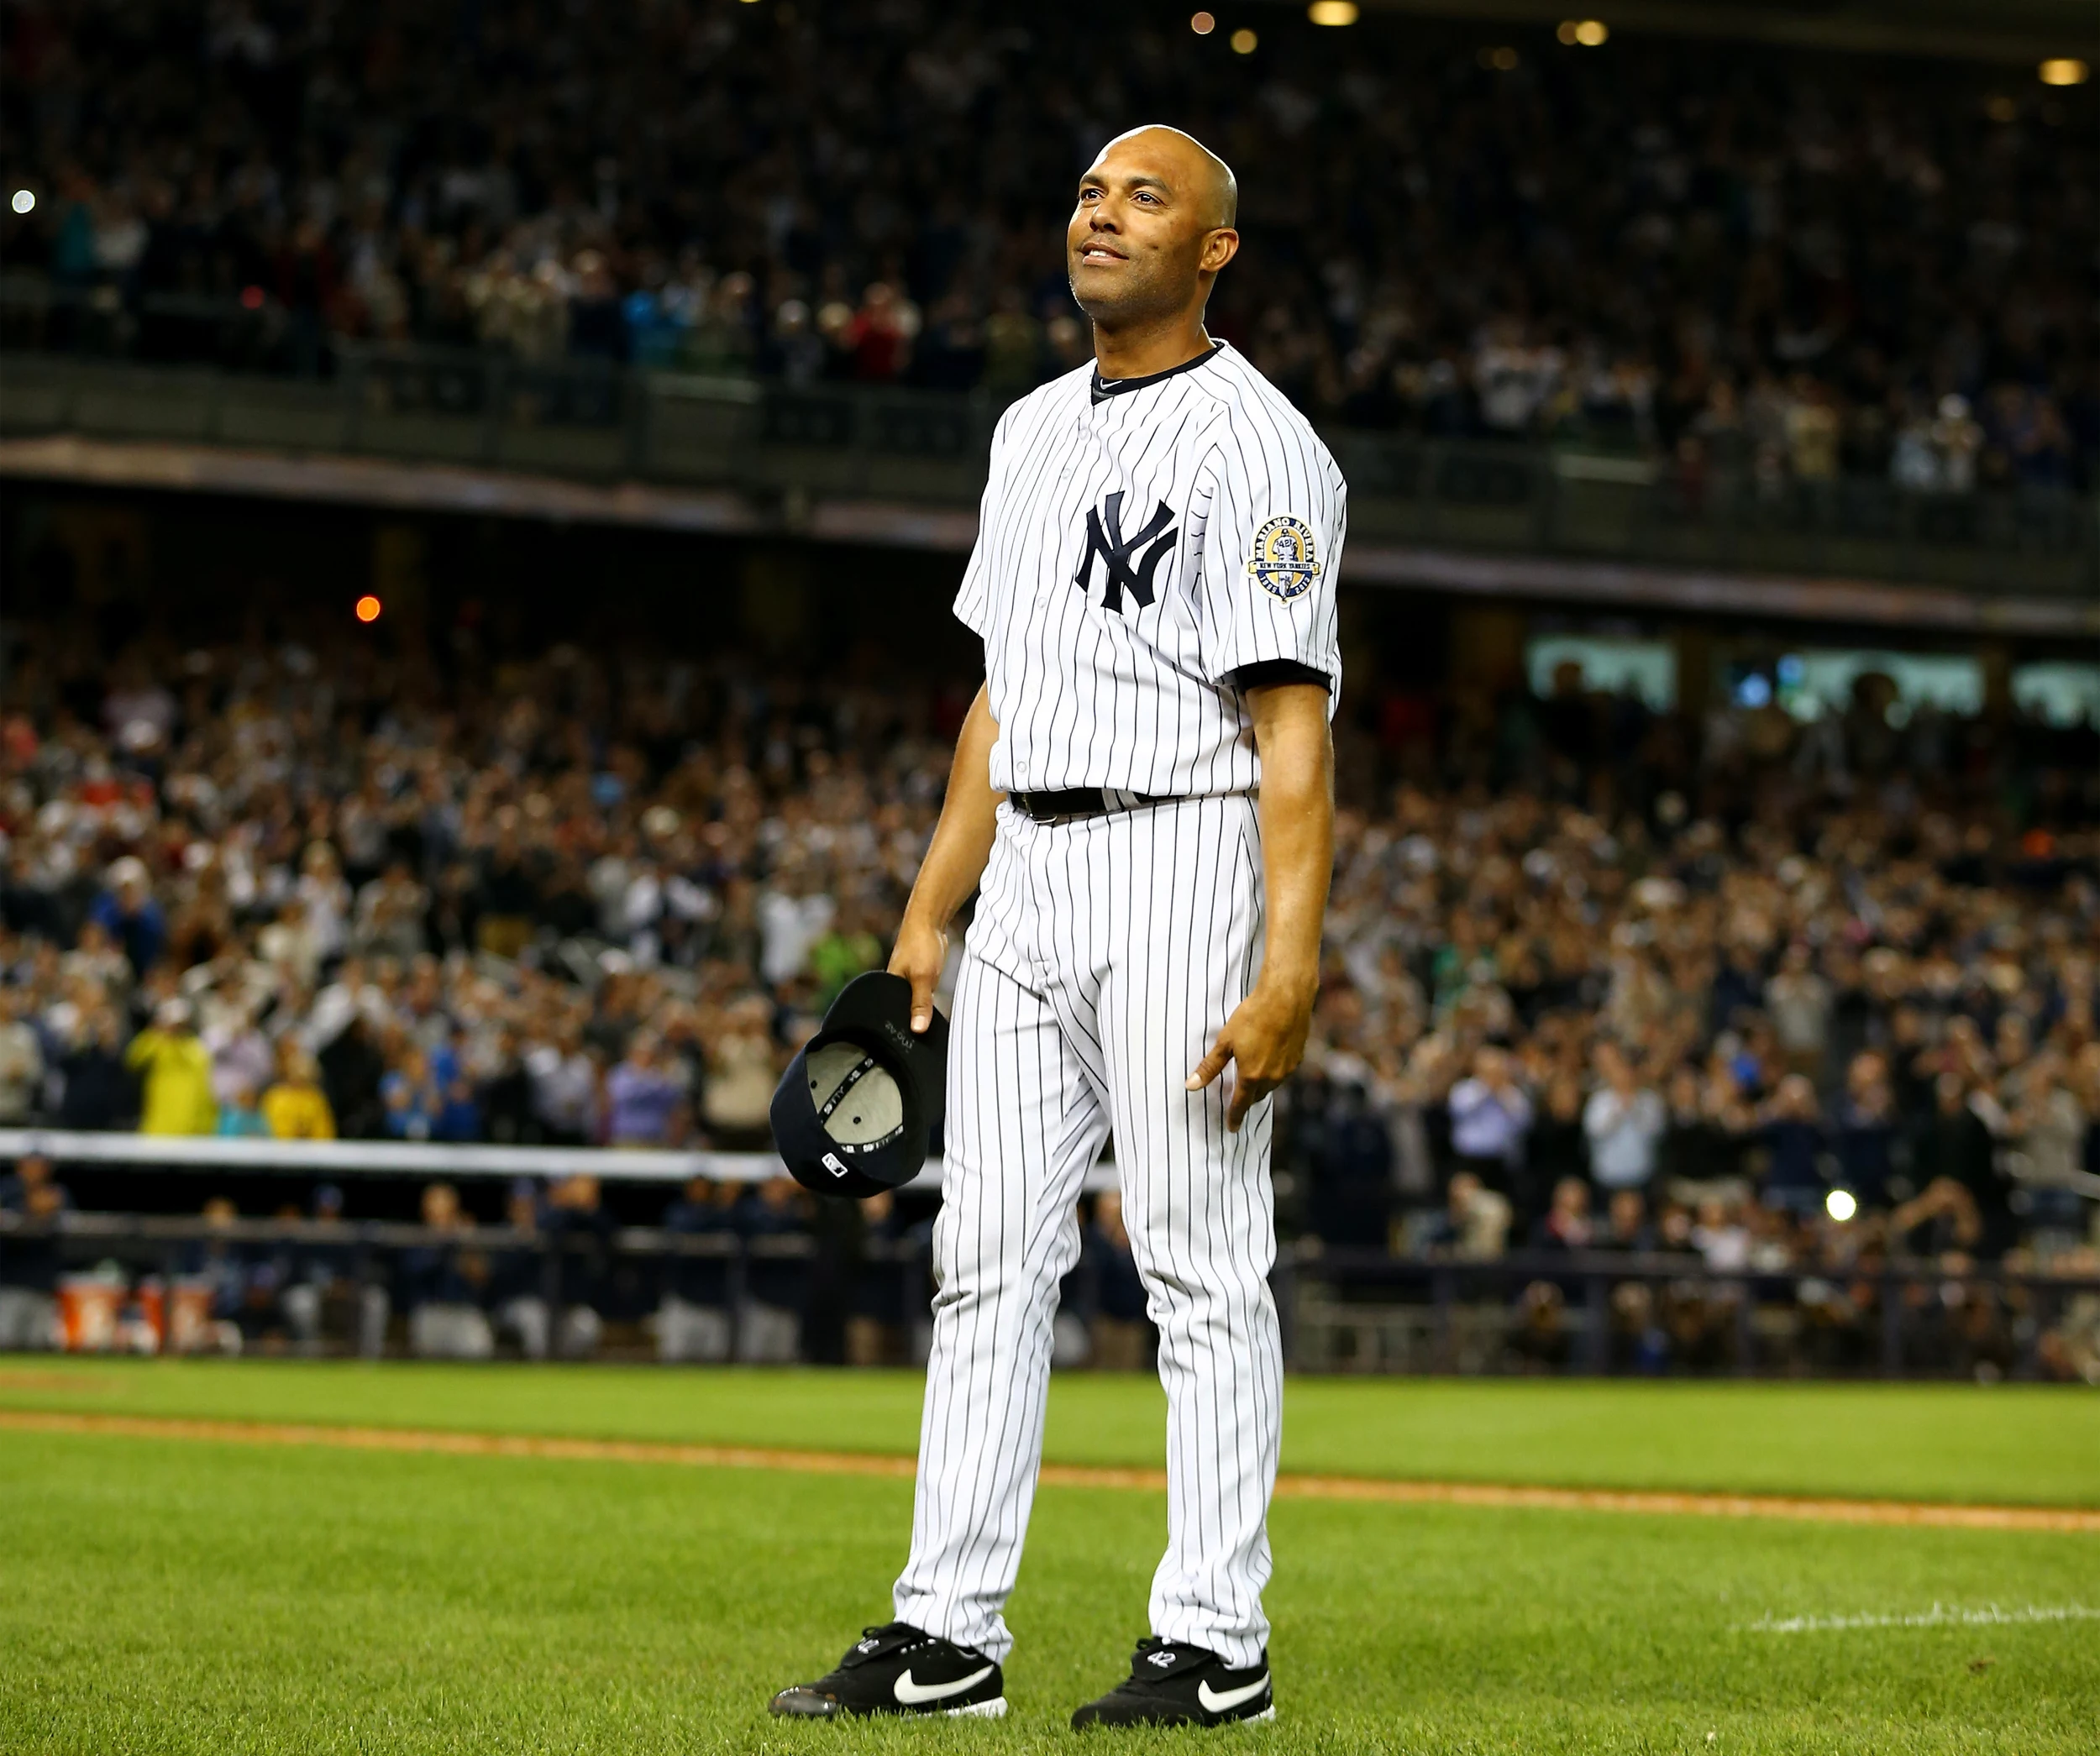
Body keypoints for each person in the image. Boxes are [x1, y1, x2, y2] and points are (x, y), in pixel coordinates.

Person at [774, 125, 1339, 1728]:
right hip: (1024, 869)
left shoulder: (1262, 449)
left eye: (1146, 197)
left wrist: (1289, 964)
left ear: (1215, 248)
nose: (1103, 213)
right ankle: (947, 1630)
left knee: (1199, 1267)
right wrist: (924, 914)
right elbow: (1000, 699)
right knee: (981, 1262)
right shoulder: (1027, 431)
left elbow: (1291, 730)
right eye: (1093, 191)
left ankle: (1217, 1639)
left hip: (1182, 857)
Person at [126, 999, 218, 1135]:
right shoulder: (156, 1045)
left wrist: (205, 1124)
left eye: (179, 1024)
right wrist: (156, 1032)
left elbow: (204, 1090)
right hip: (159, 1127)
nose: (175, 1029)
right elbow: (133, 1059)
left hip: (190, 1129)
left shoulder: (197, 1049)